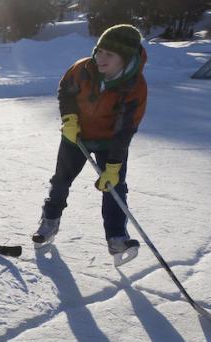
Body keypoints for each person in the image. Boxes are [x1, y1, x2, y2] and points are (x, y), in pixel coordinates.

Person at [32, 24, 148, 262]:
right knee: (61, 180)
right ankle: (49, 222)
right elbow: (66, 91)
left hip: (110, 142)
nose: (100, 58)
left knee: (114, 187)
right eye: (99, 51)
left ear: (124, 59)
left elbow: (125, 128)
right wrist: (70, 118)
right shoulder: (82, 69)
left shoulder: (135, 87)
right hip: (76, 136)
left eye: (109, 54)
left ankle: (116, 237)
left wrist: (114, 165)